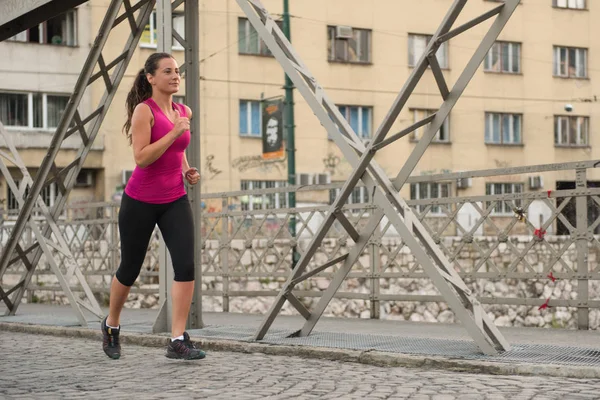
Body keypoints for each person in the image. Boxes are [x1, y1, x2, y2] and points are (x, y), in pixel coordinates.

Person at [101, 52, 204, 360]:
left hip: (173, 198)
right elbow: (142, 157)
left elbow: (177, 151)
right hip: (140, 201)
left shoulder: (183, 110)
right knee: (130, 269)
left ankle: (176, 340)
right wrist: (174, 131)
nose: (175, 76)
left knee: (185, 265)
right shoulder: (143, 112)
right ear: (151, 78)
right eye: (168, 71)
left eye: (177, 72)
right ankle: (112, 325)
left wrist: (186, 169)